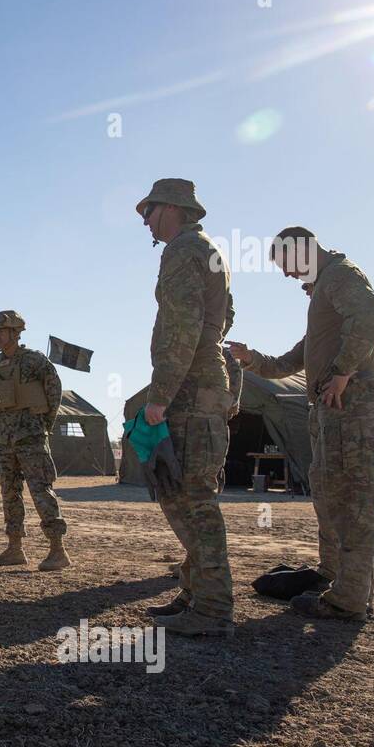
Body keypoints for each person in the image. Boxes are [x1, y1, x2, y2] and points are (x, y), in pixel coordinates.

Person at [228, 226, 374, 620]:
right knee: (331, 490)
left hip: (349, 401)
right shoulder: (325, 292)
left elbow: (371, 318)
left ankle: (349, 599)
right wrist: (253, 359)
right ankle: (356, 578)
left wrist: (343, 373)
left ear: (303, 250)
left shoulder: (339, 275)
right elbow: (296, 358)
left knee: (352, 496)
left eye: (287, 265)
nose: (286, 275)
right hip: (333, 404)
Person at [135, 179, 235, 637]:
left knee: (192, 501)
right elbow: (223, 316)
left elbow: (181, 326)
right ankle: (196, 593)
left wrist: (160, 396)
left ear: (170, 208)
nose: (146, 222)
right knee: (186, 494)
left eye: (149, 213)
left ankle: (213, 609)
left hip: (190, 391)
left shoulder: (181, 251)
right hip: (206, 385)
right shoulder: (210, 251)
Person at [0, 310, 71, 570]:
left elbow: (54, 391)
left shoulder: (34, 361)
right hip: (5, 439)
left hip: (31, 437)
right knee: (9, 494)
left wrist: (43, 425)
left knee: (41, 492)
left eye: (0, 332)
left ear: (15, 332)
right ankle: (15, 548)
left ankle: (58, 550)